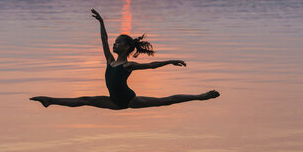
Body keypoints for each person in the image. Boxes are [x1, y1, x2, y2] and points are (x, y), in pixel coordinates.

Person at [30, 9, 220, 110]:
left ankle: (201, 96)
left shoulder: (127, 65)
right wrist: (102, 22)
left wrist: (170, 61)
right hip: (113, 102)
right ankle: (49, 100)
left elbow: (152, 65)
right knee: (84, 100)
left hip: (130, 101)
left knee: (167, 100)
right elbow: (103, 40)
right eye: (115, 42)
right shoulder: (109, 61)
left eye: (118, 43)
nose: (114, 45)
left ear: (127, 47)